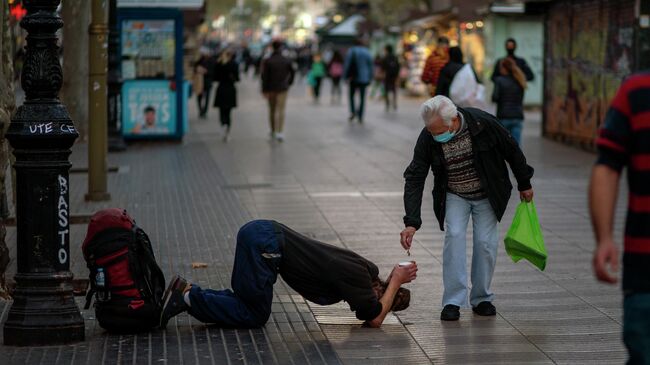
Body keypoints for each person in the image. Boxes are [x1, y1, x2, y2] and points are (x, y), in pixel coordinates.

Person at [400, 95, 534, 321]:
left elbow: (511, 149)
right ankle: (453, 300)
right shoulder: (429, 136)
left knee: (485, 243)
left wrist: (524, 183)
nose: (434, 136)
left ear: (453, 121)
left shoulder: (483, 123)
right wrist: (411, 222)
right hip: (454, 194)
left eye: (438, 131)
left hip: (487, 194)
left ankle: (482, 298)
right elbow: (415, 175)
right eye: (431, 131)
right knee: (454, 235)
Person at [159, 220, 417, 328]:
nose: (376, 302)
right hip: (266, 243)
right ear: (379, 289)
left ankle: (186, 292)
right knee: (255, 314)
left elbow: (368, 312)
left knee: (247, 304)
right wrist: (396, 279)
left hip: (264, 237)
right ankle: (186, 297)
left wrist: (390, 287)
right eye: (383, 299)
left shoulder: (359, 275)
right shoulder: (359, 277)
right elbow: (373, 318)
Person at [589, 72, 650, 364]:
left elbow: (608, 166)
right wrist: (603, 238)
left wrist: (604, 239)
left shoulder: (637, 91)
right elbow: (607, 167)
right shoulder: (636, 93)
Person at [261, 40, 295, 142]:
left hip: (271, 88)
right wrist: (289, 82)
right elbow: (293, 72)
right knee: (281, 110)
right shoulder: (286, 60)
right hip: (282, 88)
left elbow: (264, 77)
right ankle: (280, 131)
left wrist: (264, 89)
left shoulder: (268, 60)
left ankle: (273, 130)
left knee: (272, 110)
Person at [492, 57, 527, 145]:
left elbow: (495, 97)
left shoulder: (499, 80)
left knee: (504, 146)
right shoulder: (520, 80)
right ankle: (517, 159)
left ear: (504, 68)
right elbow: (521, 98)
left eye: (501, 67)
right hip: (517, 116)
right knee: (516, 146)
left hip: (504, 116)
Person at [343, 39, 373, 124]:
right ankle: (360, 115)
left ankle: (353, 112)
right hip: (364, 78)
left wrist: (345, 77)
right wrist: (370, 77)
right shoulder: (367, 52)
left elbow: (347, 65)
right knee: (362, 98)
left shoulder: (351, 51)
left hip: (353, 77)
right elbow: (371, 66)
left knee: (351, 96)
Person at [213, 49, 240, 142]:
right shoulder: (234, 64)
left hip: (221, 89)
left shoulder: (219, 64)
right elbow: (237, 78)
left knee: (221, 110)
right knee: (228, 112)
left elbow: (215, 77)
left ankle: (223, 124)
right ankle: (227, 129)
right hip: (230, 89)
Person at [193, 48, 215, 119]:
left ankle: (205, 111)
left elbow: (213, 71)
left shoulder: (212, 60)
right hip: (200, 82)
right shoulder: (200, 60)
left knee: (207, 97)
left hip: (208, 81)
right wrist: (197, 69)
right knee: (199, 96)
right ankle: (200, 110)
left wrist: (206, 71)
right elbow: (195, 67)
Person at [381, 44, 400, 112]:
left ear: (386, 50)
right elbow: (398, 66)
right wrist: (397, 76)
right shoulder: (395, 57)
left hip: (387, 76)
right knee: (394, 90)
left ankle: (387, 104)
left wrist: (382, 75)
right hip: (394, 76)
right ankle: (394, 103)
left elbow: (382, 68)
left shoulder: (385, 57)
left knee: (386, 90)